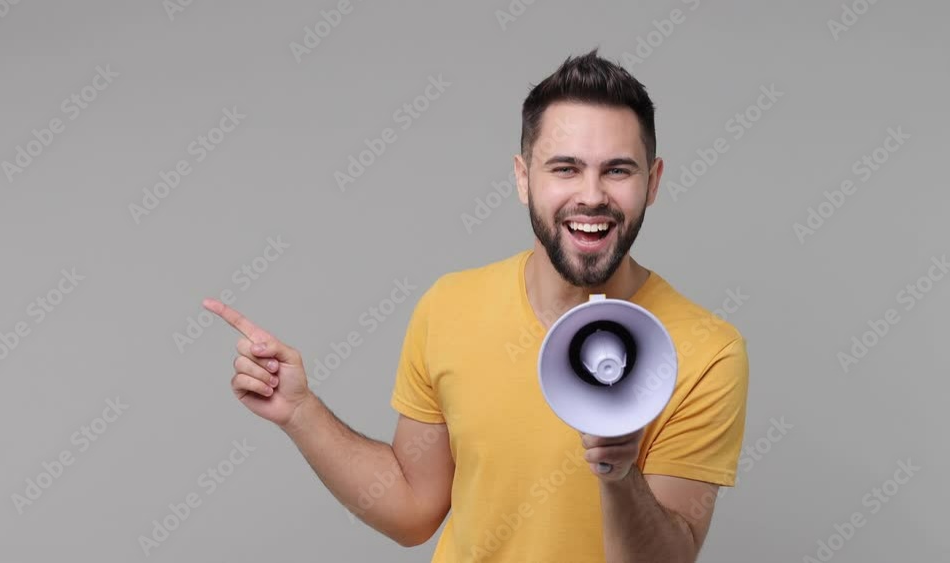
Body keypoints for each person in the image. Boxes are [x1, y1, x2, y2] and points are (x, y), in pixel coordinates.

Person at [203, 49, 749, 563]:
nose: (591, 195)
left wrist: (618, 471)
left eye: (617, 170)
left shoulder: (705, 350)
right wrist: (302, 413)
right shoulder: (450, 306)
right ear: (521, 178)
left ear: (651, 183)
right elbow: (413, 510)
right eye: (564, 168)